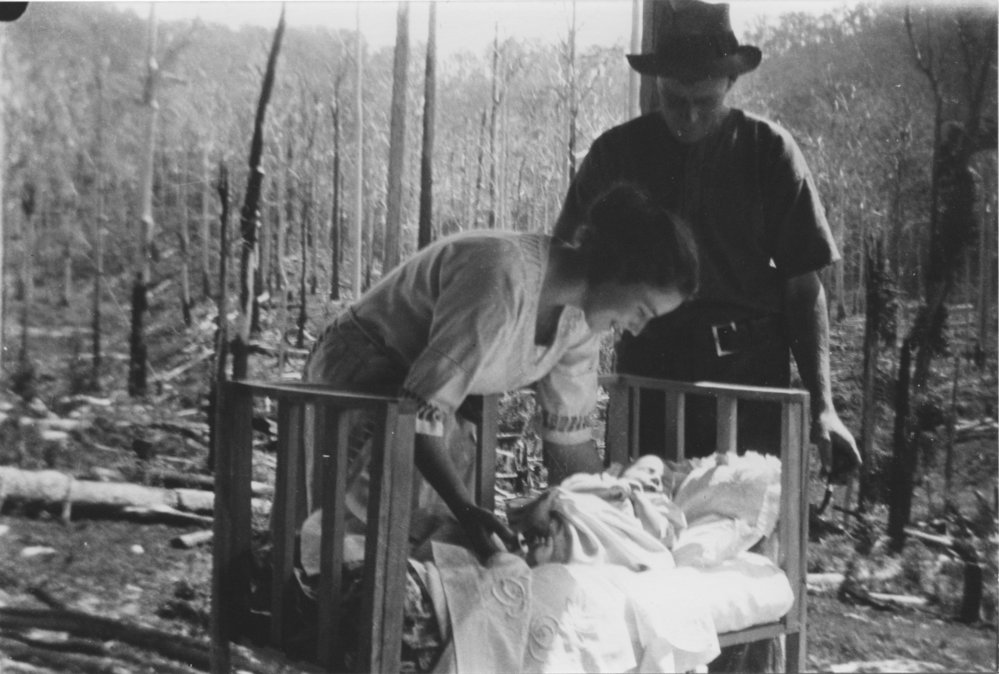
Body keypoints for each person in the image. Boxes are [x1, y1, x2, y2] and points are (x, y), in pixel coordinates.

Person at [298, 182, 699, 563]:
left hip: (432, 407)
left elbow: (568, 443)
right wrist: (465, 506)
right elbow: (414, 415)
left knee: (437, 547)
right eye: (642, 311)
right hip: (365, 370)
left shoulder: (582, 323)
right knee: (363, 543)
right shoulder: (503, 276)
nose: (636, 328)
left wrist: (610, 507)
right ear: (618, 267)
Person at [553, 0, 862, 482]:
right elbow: (563, 267)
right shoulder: (616, 154)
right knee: (640, 526)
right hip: (648, 375)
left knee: (741, 532)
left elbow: (805, 288)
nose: (690, 117)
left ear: (731, 85)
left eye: (706, 103)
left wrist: (825, 407)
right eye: (676, 101)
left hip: (749, 378)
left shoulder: (770, 151)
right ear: (656, 84)